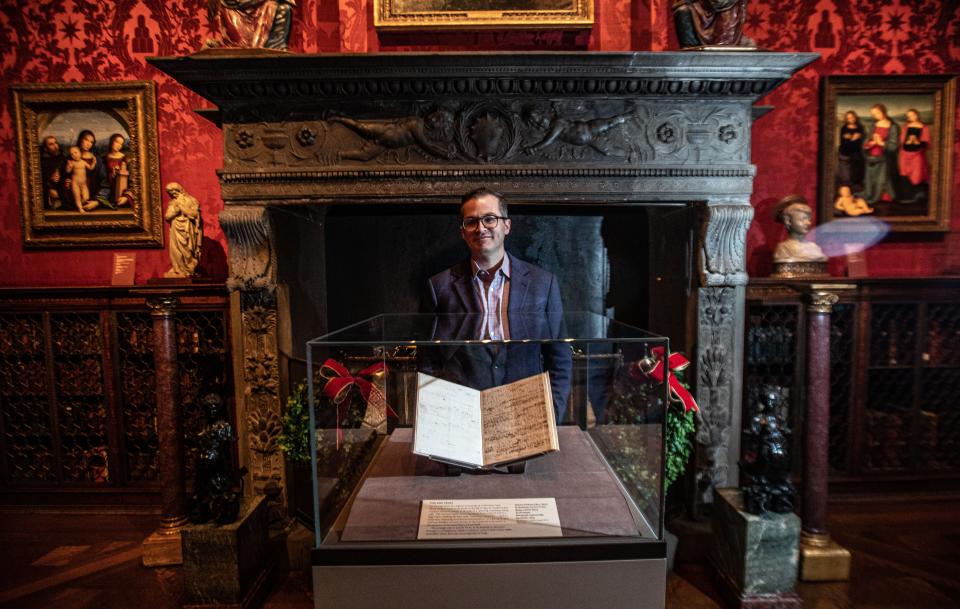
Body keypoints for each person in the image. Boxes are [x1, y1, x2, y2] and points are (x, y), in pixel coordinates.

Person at [422, 187, 572, 421]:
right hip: (461, 410)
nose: (481, 228)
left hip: (526, 410)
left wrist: (552, 413)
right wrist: (434, 416)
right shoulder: (438, 286)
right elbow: (427, 359)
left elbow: (559, 356)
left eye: (489, 219)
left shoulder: (544, 283)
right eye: (471, 221)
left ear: (507, 226)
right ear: (463, 232)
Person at [858, 103, 899, 205]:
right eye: (873, 114)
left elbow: (893, 145)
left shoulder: (892, 126)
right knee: (871, 177)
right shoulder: (873, 125)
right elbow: (867, 140)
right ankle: (870, 193)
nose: (874, 116)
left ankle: (881, 195)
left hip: (884, 156)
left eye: (876, 113)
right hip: (871, 154)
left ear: (883, 112)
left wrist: (881, 143)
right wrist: (869, 143)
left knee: (882, 178)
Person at [163, 182, 203, 278]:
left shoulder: (192, 200)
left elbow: (196, 215)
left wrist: (183, 209)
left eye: (173, 190)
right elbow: (167, 217)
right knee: (175, 249)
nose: (172, 193)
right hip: (175, 229)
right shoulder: (172, 203)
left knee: (188, 249)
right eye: (170, 191)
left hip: (188, 229)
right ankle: (178, 269)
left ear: (179, 189)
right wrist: (175, 212)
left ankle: (189, 268)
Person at [772, 195, 827, 263]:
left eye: (809, 219)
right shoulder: (783, 249)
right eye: (802, 219)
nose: (808, 223)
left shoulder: (815, 248)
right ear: (788, 221)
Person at [897, 108, 931, 203]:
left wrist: (916, 142)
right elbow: (902, 141)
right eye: (909, 116)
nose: (911, 117)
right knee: (904, 174)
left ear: (917, 115)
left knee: (917, 174)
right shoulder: (905, 127)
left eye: (913, 115)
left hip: (917, 154)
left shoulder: (924, 127)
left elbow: (926, 142)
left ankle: (918, 196)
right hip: (904, 154)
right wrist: (908, 142)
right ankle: (906, 196)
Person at [102, 133, 135, 207]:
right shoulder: (104, 158)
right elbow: (101, 177)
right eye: (117, 142)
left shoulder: (126, 159)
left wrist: (126, 196)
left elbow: (132, 180)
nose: (119, 145)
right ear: (111, 141)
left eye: (121, 143)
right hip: (107, 190)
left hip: (121, 191)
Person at [836, 110, 865, 189]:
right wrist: (853, 138)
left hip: (856, 153)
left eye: (852, 117)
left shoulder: (860, 127)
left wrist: (851, 138)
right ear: (846, 119)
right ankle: (846, 187)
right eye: (849, 118)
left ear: (855, 117)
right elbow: (845, 142)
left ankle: (855, 186)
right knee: (846, 173)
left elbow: (860, 140)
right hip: (845, 153)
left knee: (856, 170)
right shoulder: (844, 128)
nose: (851, 119)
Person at [64, 145, 96, 213]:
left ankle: (77, 205)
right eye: (72, 154)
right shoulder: (72, 162)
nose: (74, 155)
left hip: (83, 183)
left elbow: (90, 168)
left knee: (86, 197)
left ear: (80, 153)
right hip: (75, 183)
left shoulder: (83, 162)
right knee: (77, 196)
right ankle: (80, 208)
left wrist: (93, 163)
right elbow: (67, 171)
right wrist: (69, 166)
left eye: (75, 152)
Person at [39, 135, 65, 210]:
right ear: (45, 149)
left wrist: (63, 176)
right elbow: (41, 178)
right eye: (51, 144)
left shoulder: (62, 158)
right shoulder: (42, 161)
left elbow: (66, 173)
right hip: (48, 190)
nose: (55, 146)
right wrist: (49, 188)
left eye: (55, 143)